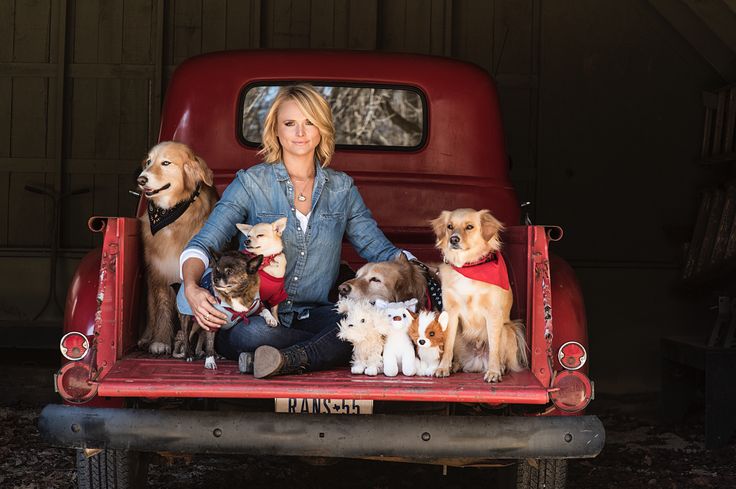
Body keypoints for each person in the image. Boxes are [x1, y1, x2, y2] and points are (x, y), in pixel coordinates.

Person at [177, 84, 408, 378]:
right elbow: (204, 242)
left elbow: (380, 250)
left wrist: (422, 270)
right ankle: (316, 354)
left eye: (309, 122)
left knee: (363, 322)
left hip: (315, 312)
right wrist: (192, 288)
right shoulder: (251, 184)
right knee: (254, 336)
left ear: (322, 128)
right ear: (275, 129)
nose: (300, 133)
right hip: (252, 316)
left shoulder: (342, 189)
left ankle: (283, 360)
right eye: (290, 123)